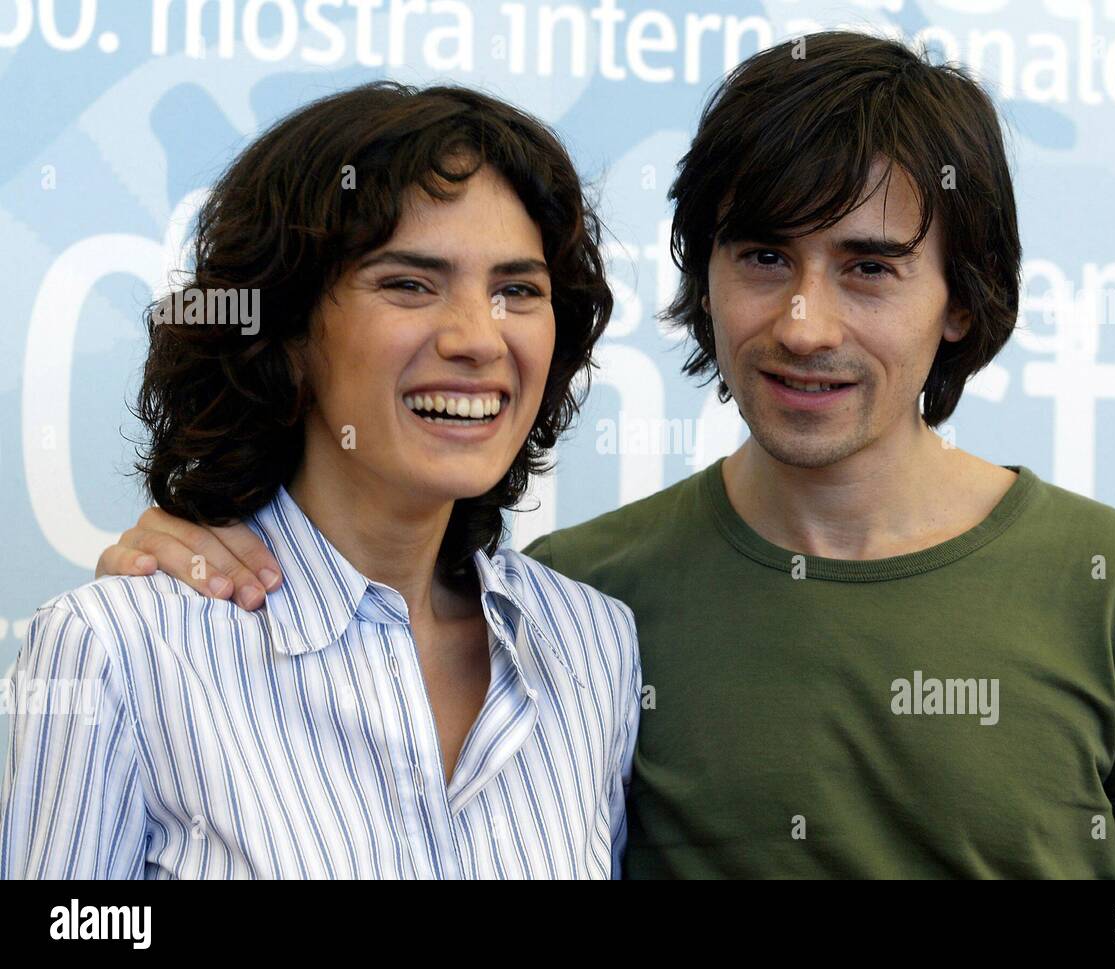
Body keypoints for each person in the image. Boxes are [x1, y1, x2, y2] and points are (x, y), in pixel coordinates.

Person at [89, 33, 1115, 879]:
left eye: (870, 267)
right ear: (702, 277)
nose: (802, 323)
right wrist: (179, 575)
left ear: (961, 298)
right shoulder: (587, 611)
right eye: (759, 257)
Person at [0, 82, 640, 879]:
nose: (478, 337)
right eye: (409, 282)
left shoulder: (593, 645)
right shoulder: (118, 647)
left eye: (518, 290)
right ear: (288, 334)